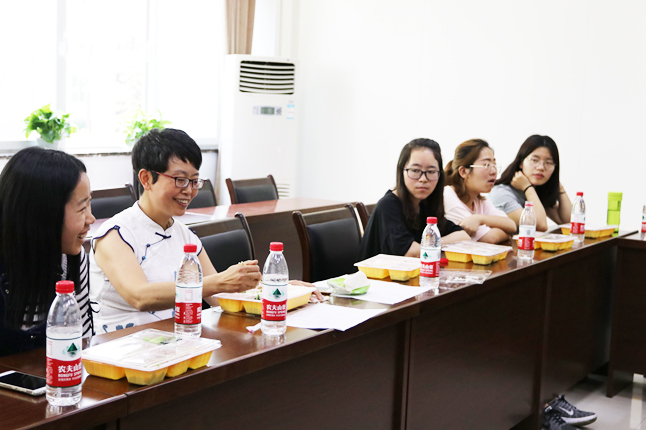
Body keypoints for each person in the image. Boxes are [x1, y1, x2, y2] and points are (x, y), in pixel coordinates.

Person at [90, 129, 264, 333]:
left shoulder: (185, 235)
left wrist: (274, 289)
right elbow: (140, 296)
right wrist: (220, 282)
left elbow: (218, 298)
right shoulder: (115, 234)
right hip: (122, 345)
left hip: (177, 340)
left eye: (194, 181)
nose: (189, 190)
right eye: (180, 179)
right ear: (146, 179)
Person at [0, 147, 96, 357]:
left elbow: (80, 342)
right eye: (82, 209)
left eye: (89, 204)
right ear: (43, 215)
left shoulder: (72, 258)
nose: (91, 219)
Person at [359, 138, 469, 260]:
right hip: (378, 272)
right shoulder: (388, 205)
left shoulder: (425, 204)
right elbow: (411, 253)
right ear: (402, 171)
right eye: (415, 170)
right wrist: (435, 244)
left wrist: (433, 243)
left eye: (431, 171)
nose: (423, 179)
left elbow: (463, 236)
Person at [489, 135, 571, 232]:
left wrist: (557, 184)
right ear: (521, 163)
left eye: (549, 162)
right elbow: (540, 226)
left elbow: (570, 222)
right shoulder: (501, 193)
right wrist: (527, 187)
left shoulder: (537, 191)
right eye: (535, 160)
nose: (541, 167)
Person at [443, 139, 517, 243]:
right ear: (463, 172)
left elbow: (511, 225)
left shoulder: (479, 200)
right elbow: (490, 238)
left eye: (494, 164)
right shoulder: (448, 196)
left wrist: (479, 219)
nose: (494, 171)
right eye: (486, 165)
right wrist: (505, 232)